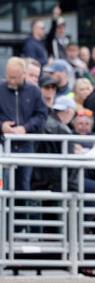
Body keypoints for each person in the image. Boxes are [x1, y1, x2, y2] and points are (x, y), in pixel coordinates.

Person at [1, 57, 49, 191]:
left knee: (23, 185)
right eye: (9, 76)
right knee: (4, 184)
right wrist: (2, 126)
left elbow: (41, 115)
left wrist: (26, 128)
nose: (11, 80)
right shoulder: (1, 89)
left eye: (15, 77)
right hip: (3, 144)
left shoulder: (34, 91)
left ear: (23, 74)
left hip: (26, 144)